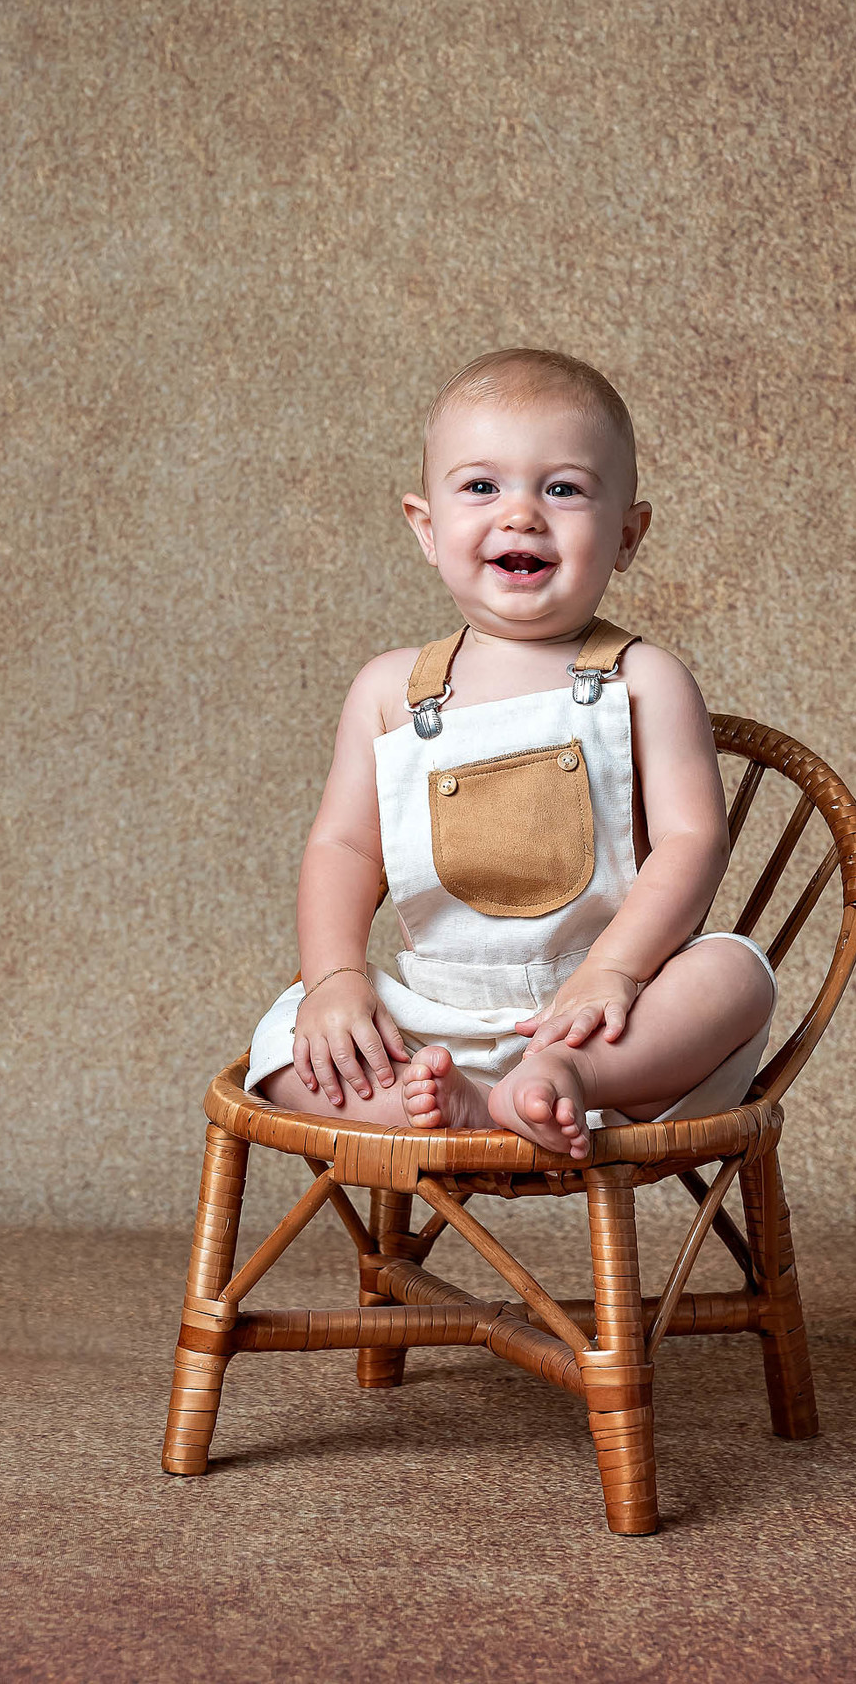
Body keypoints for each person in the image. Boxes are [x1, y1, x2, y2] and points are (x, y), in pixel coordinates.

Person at [244, 348, 777, 1161]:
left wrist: (615, 971)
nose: (521, 515)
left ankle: (559, 1081)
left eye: (562, 489)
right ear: (427, 528)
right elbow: (343, 847)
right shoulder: (391, 690)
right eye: (481, 487)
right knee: (286, 1043)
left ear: (627, 534)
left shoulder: (646, 679)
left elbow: (693, 841)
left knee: (737, 975)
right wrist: (335, 980)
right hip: (436, 1022)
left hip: (602, 1019)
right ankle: (465, 1105)